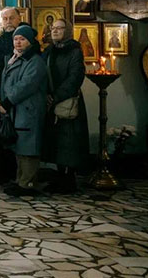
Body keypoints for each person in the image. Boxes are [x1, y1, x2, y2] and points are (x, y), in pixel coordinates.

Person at [0, 25, 47, 197]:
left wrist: (7, 102)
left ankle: (28, 183)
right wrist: (2, 101)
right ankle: (21, 181)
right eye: (16, 39)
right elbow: (7, 81)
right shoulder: (15, 58)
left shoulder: (35, 61)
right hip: (15, 110)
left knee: (29, 148)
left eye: (22, 39)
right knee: (19, 147)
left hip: (28, 110)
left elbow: (26, 85)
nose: (18, 42)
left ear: (30, 41)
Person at [42, 19, 89, 194]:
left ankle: (69, 180)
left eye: (59, 28)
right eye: (53, 28)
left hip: (67, 101)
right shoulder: (49, 51)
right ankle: (59, 177)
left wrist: (56, 96)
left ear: (67, 31)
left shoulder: (74, 51)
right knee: (55, 142)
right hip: (51, 101)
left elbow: (75, 77)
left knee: (69, 142)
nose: (55, 31)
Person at [0, 7, 22, 185]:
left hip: (19, 97)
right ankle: (3, 172)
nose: (8, 21)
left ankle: (19, 174)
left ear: (18, 19)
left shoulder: (25, 40)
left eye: (11, 18)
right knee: (1, 135)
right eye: (5, 19)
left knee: (19, 135)